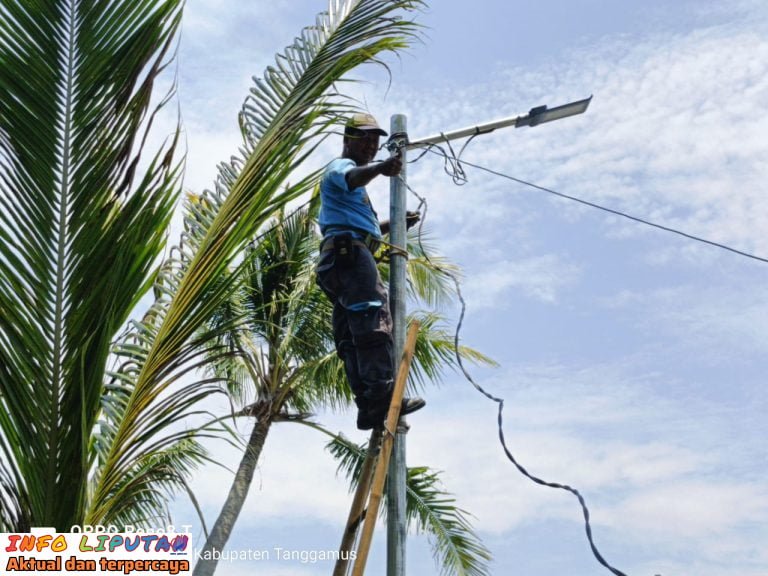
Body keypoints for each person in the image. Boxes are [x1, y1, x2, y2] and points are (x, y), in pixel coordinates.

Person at [316, 112, 425, 430]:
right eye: (364, 138)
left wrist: (395, 225)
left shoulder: (353, 194)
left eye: (375, 140)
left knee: (352, 334)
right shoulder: (342, 168)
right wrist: (381, 168)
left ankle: (367, 405)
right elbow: (352, 177)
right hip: (349, 256)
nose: (371, 144)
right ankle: (381, 394)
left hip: (341, 256)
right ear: (347, 140)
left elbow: (365, 229)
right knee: (373, 320)